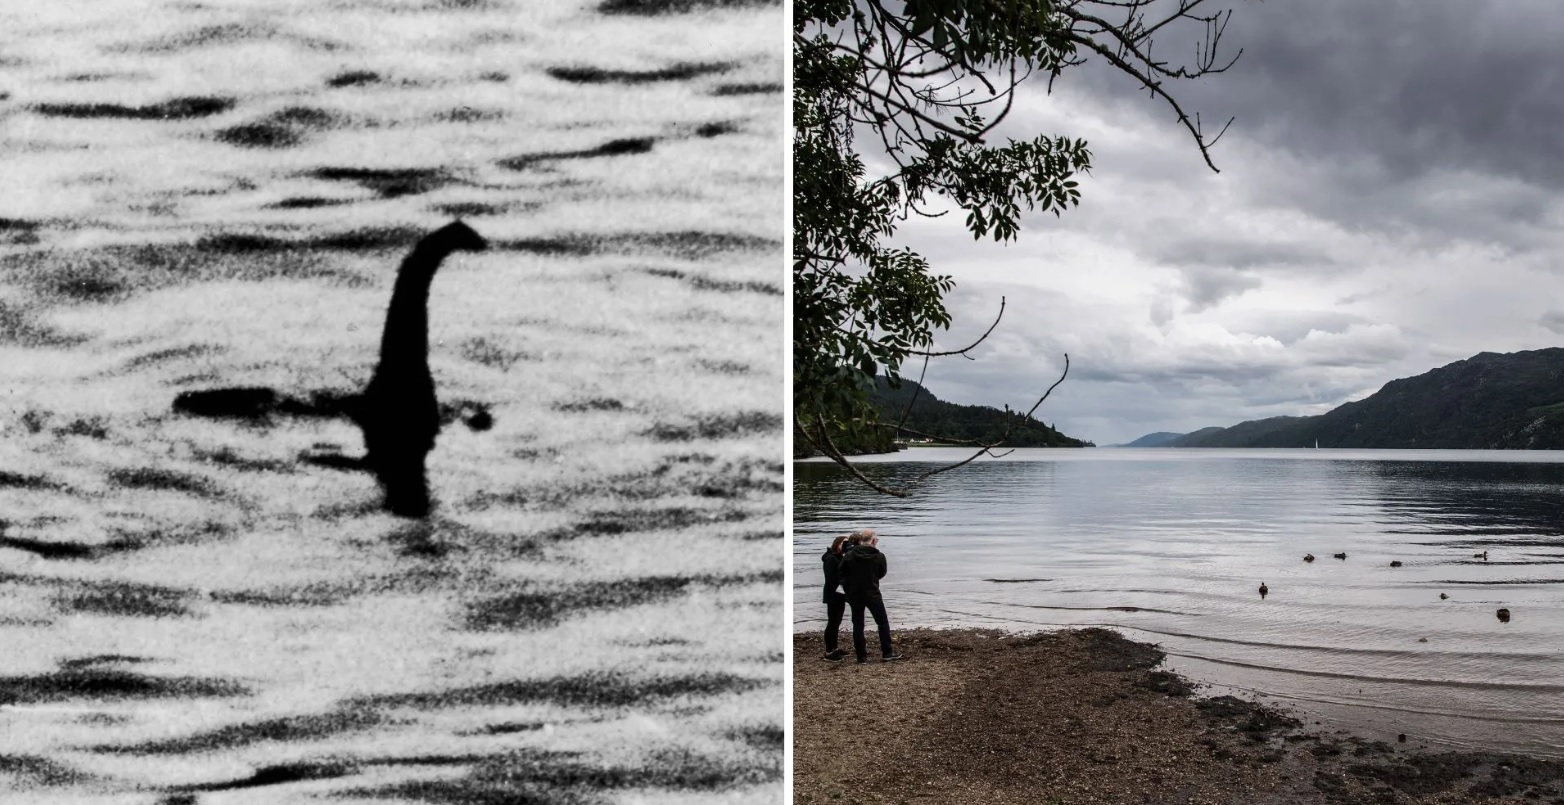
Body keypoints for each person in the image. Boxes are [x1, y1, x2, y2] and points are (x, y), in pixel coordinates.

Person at [837, 528, 903, 663]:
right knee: (882, 622)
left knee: (858, 624)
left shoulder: (849, 555)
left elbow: (841, 570)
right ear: (873, 540)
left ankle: (861, 657)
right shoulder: (878, 556)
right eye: (876, 539)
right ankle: (887, 652)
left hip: (855, 593)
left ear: (861, 540)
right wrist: (871, 578)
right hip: (872, 592)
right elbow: (881, 573)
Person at [821, 535, 850, 661]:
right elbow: (830, 578)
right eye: (844, 543)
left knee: (837, 621)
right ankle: (829, 651)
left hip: (840, 594)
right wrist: (842, 583)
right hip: (833, 594)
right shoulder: (830, 559)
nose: (846, 545)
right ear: (837, 544)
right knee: (832, 621)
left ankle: (835, 647)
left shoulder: (840, 557)